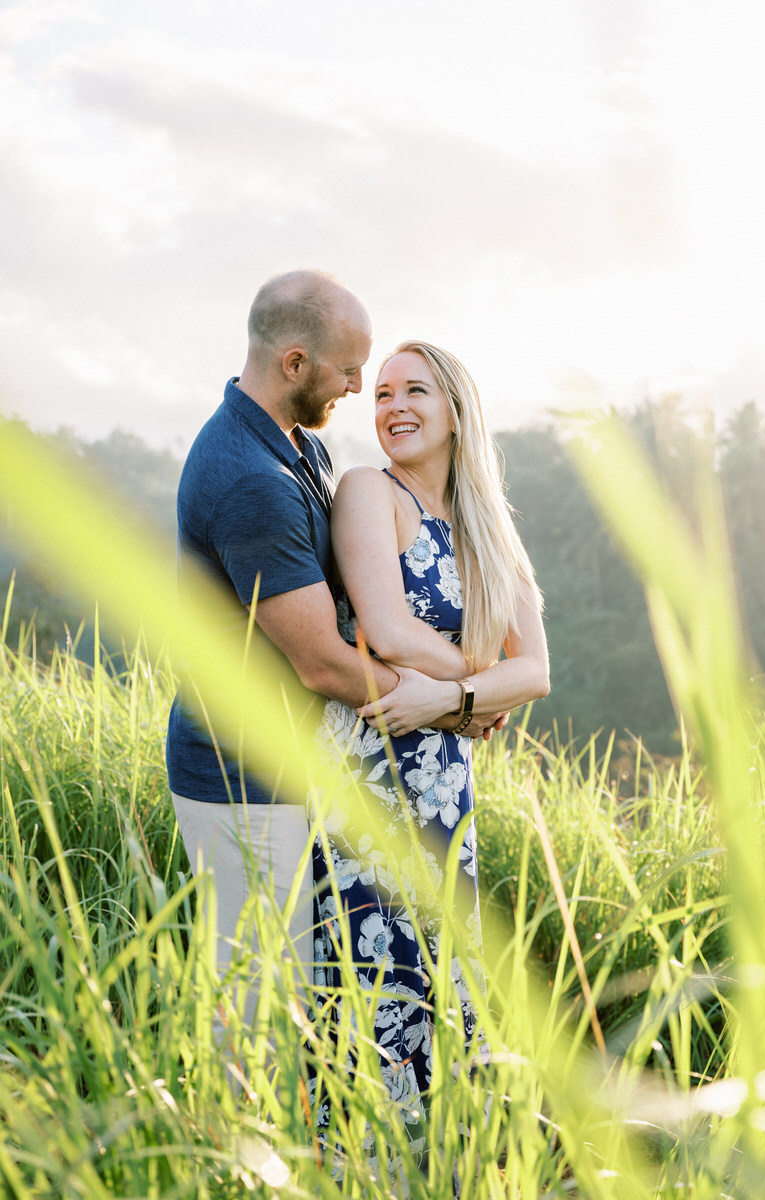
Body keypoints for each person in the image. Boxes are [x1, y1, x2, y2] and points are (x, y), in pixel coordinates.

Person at [165, 273, 498, 1026]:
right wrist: (459, 705)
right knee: (257, 1005)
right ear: (293, 363)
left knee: (310, 991)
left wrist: (464, 692)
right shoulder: (250, 479)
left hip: (296, 760)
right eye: (350, 370)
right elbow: (321, 660)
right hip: (242, 775)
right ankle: (235, 1142)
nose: (358, 387)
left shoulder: (297, 449)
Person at [311, 340, 550, 1158]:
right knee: (372, 979)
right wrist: (482, 693)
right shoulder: (366, 492)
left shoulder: (489, 528)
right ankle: (354, 1165)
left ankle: (436, 1164)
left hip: (447, 786)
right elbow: (386, 627)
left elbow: (540, 670)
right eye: (380, 394)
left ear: (456, 410)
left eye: (414, 390)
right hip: (368, 773)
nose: (393, 407)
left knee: (446, 982)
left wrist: (450, 699)